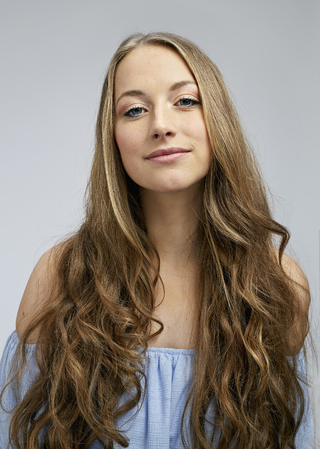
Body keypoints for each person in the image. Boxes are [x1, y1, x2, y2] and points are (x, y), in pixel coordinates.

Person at [0, 32, 314, 449]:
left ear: (216, 119)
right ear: (113, 137)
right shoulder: (61, 275)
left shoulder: (278, 284)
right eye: (134, 110)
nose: (161, 126)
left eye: (185, 101)